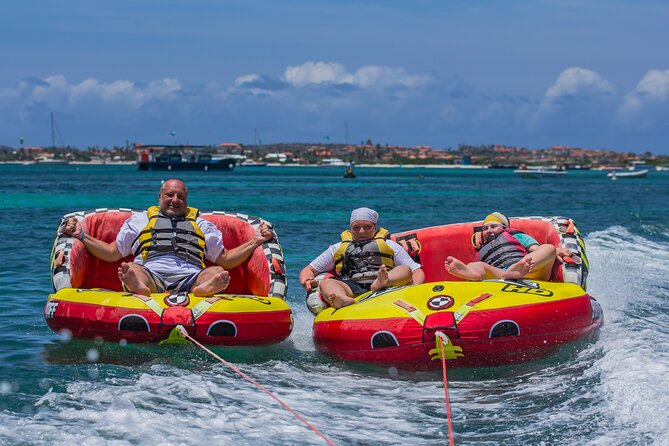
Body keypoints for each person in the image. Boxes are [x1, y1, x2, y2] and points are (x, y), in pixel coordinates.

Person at [62, 178, 273, 297]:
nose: (175, 200)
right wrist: (81, 235)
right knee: (133, 268)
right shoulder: (140, 220)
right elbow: (111, 253)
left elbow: (225, 258)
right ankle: (138, 285)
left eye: (181, 196)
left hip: (192, 275)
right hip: (151, 272)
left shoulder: (201, 223)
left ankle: (205, 288)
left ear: (186, 200)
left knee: (216, 271)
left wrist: (256, 240)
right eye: (170, 195)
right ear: (160, 197)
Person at [300, 207, 424, 309]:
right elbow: (309, 269)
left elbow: (416, 271)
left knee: (405, 269)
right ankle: (341, 298)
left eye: (367, 227)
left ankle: (382, 282)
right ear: (350, 229)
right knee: (327, 283)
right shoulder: (337, 248)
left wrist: (415, 287)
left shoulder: (389, 245)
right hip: (351, 286)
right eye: (356, 228)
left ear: (375, 227)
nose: (361, 231)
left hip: (387, 284)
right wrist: (307, 280)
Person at [444, 212, 572, 281]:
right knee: (476, 265)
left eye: (493, 226)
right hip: (501, 274)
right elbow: (486, 268)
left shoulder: (517, 236)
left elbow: (536, 250)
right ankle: (472, 274)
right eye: (485, 228)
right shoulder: (482, 247)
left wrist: (556, 251)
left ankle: (516, 269)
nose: (489, 230)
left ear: (505, 227)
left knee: (548, 248)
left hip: (529, 270)